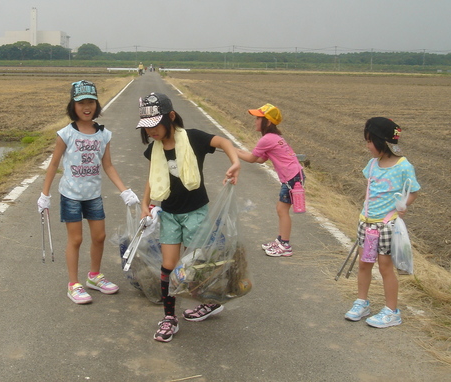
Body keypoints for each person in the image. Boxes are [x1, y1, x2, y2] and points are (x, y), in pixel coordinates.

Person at [136, 92, 240, 342]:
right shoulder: (155, 150)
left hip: (196, 213)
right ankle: (169, 317)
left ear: (170, 117)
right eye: (146, 127)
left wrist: (235, 163)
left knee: (198, 266)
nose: (151, 131)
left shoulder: (193, 138)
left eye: (155, 125)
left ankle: (211, 302)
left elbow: (225, 143)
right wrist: (145, 202)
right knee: (168, 268)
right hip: (170, 214)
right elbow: (153, 176)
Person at [38, 80, 139, 304]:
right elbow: (54, 164)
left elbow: (108, 165)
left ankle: (94, 276)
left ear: (96, 104)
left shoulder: (104, 134)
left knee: (99, 237)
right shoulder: (66, 134)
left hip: (93, 195)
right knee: (76, 239)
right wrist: (45, 195)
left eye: (91, 102)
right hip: (71, 195)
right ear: (72, 106)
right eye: (81, 102)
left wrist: (124, 191)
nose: (86, 107)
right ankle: (73, 284)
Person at [344, 117, 420, 328]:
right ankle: (362, 302)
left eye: (370, 141)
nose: (368, 146)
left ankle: (391, 311)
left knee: (385, 267)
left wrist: (401, 208)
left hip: (386, 225)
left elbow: (413, 191)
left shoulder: (403, 166)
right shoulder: (372, 164)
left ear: (382, 142)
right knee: (364, 263)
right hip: (366, 223)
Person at [236, 103, 304, 257]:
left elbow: (252, 159)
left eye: (258, 119)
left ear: (267, 121)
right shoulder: (274, 137)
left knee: (282, 210)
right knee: (281, 209)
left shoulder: (267, 139)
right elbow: (260, 159)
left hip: (292, 178)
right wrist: (237, 150)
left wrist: (233, 151)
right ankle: (281, 240)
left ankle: (285, 245)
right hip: (294, 176)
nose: (255, 122)